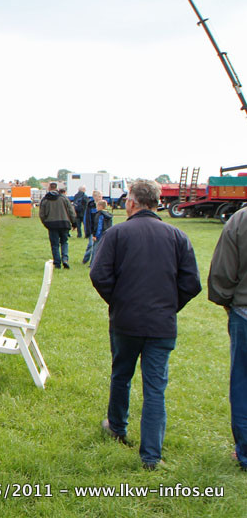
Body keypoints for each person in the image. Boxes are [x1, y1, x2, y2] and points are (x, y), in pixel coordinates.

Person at [89, 179, 201, 470]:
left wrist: (119, 301)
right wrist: (168, 306)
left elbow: (99, 274)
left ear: (131, 202)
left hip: (127, 321)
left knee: (121, 375)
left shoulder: (117, 234)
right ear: (157, 203)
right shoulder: (177, 236)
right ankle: (151, 455)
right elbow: (191, 283)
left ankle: (117, 426)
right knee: (155, 388)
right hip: (160, 323)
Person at [207, 205, 247, 471]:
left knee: (243, 383)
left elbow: (223, 270)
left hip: (244, 312)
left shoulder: (241, 219)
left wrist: (225, 300)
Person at [39, 181, 75, 269]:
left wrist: (45, 223)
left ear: (49, 188)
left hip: (52, 224)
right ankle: (65, 259)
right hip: (64, 223)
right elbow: (71, 211)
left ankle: (57, 263)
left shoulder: (45, 199)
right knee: (64, 242)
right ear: (57, 188)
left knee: (54, 245)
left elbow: (42, 214)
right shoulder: (64, 198)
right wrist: (74, 222)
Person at [88, 199, 113, 266]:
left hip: (100, 235)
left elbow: (98, 226)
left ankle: (93, 264)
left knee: (95, 249)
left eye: (97, 206)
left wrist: (95, 235)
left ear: (100, 206)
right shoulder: (109, 215)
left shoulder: (99, 215)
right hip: (107, 234)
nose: (96, 208)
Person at [82, 190, 103, 264]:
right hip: (92, 228)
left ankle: (94, 261)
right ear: (94, 197)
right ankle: (86, 259)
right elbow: (87, 218)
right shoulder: (90, 205)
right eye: (99, 196)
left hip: (98, 229)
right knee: (91, 245)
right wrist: (88, 229)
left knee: (97, 246)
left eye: (101, 196)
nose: (100, 198)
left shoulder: (103, 205)